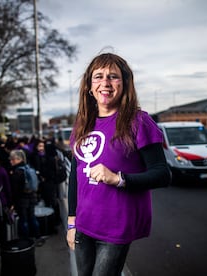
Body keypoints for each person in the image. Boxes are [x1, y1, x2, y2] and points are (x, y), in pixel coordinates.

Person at [66, 52, 171, 276]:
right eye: (98, 76)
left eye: (113, 77)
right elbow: (75, 176)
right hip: (83, 224)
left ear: (124, 84)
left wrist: (119, 178)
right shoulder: (82, 124)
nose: (105, 82)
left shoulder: (139, 121)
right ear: (88, 86)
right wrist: (71, 222)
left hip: (115, 228)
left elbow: (162, 174)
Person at [9, 149, 43, 246]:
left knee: (23, 220)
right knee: (32, 218)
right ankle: (38, 237)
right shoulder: (28, 167)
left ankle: (27, 241)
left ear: (18, 159)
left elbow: (15, 190)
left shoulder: (16, 172)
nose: (11, 161)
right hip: (32, 197)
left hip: (21, 200)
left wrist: (13, 203)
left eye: (12, 159)